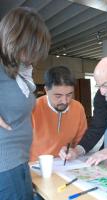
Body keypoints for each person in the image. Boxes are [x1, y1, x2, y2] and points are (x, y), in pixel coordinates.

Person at [0, 7, 50, 200]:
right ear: (14, 38)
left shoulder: (19, 70)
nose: (34, 56)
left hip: (18, 162)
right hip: (5, 167)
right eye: (31, 48)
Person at [30, 66, 87, 161]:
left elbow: (81, 142)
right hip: (36, 167)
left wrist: (75, 151)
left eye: (69, 94)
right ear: (46, 90)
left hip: (67, 165)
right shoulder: (32, 108)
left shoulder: (78, 108)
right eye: (58, 96)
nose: (65, 101)